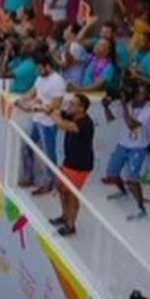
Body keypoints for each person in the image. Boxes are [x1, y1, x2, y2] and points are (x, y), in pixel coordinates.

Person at [15, 55, 67, 195]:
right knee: (27, 147)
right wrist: (19, 100)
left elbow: (56, 104)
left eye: (40, 68)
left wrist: (33, 108)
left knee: (49, 155)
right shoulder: (40, 78)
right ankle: (29, 177)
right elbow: (32, 93)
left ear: (47, 66)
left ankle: (50, 182)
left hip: (48, 123)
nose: (38, 71)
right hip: (37, 119)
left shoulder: (57, 81)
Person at [103, 83, 150, 221]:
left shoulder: (148, 110)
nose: (138, 96)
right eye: (137, 92)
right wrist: (106, 106)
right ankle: (123, 192)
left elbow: (132, 126)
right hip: (122, 145)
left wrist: (124, 105)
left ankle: (141, 209)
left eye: (142, 93)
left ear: (148, 96)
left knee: (132, 180)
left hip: (138, 147)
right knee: (112, 174)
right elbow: (110, 119)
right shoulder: (127, 104)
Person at [48, 94, 95, 237]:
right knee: (62, 189)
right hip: (69, 161)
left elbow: (63, 124)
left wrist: (51, 113)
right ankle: (64, 216)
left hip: (80, 165)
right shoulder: (72, 115)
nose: (69, 106)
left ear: (81, 108)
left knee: (72, 195)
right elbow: (58, 114)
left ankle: (70, 225)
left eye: (73, 104)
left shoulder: (85, 123)